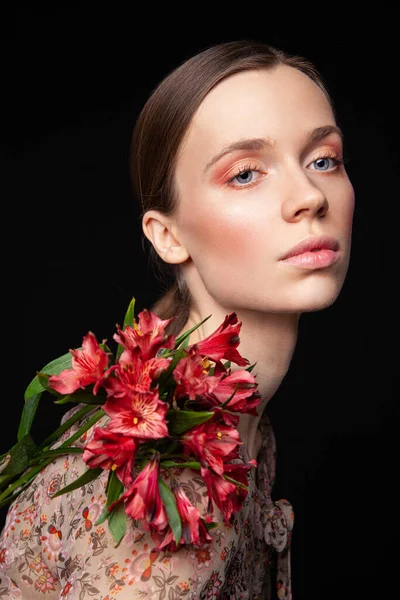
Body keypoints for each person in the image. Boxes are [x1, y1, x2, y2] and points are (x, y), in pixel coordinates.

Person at [0, 39, 354, 599]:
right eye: (245, 174)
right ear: (168, 235)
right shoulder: (164, 482)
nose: (309, 196)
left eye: (323, 160)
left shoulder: (232, 416)